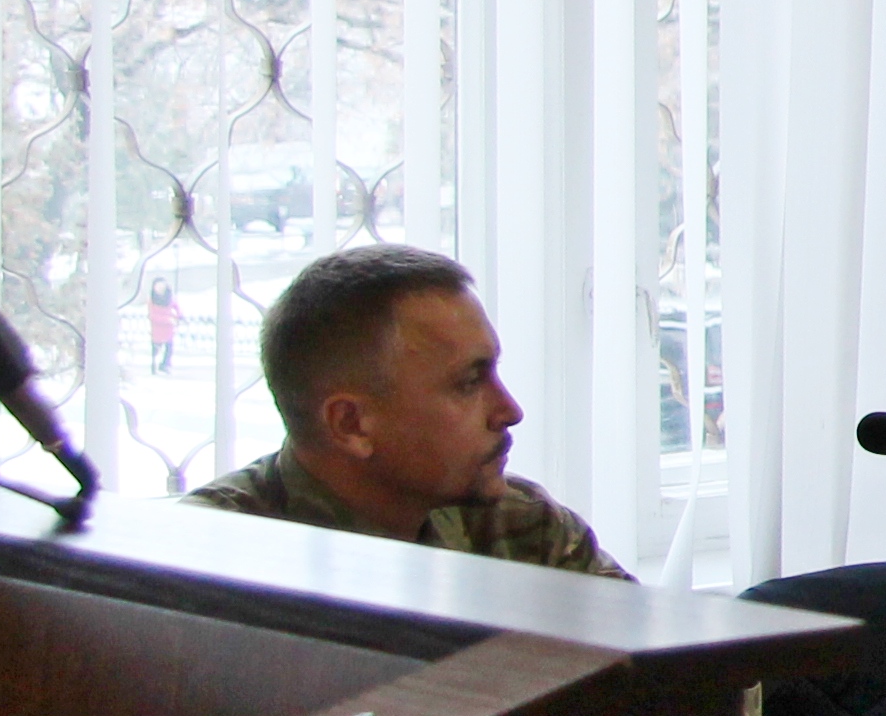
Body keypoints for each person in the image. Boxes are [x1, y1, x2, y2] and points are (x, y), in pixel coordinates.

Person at [185, 242, 629, 577]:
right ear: (351, 424)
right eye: (469, 383)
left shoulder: (520, 525)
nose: (509, 411)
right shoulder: (205, 559)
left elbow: (651, 662)